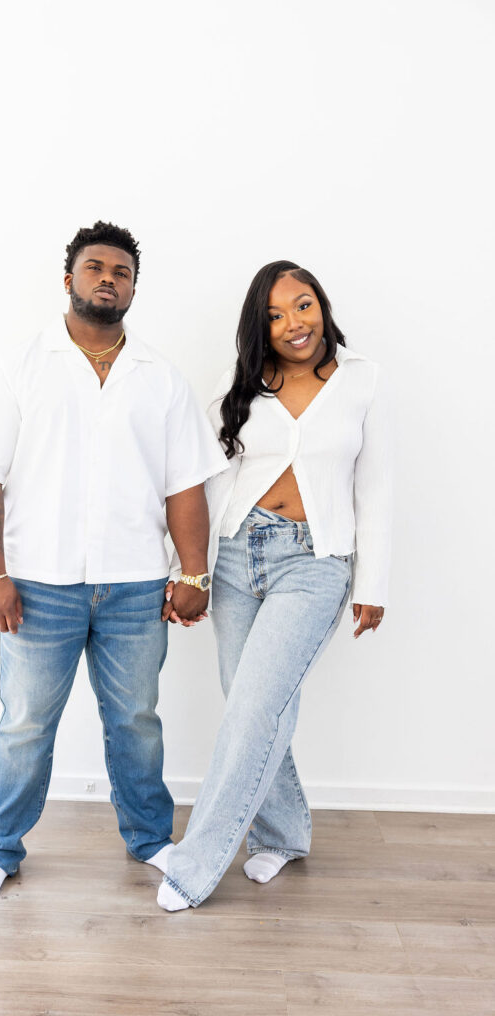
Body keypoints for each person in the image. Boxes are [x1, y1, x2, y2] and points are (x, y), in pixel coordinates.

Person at [0, 221, 228, 905]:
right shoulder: (21, 366)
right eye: (95, 267)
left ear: (133, 289)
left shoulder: (161, 378)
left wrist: (193, 574)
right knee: (25, 723)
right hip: (38, 585)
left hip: (135, 584)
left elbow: (185, 485)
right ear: (68, 279)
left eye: (121, 272)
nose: (108, 279)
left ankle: (150, 839)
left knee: (136, 720)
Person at [157, 260, 392, 911]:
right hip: (235, 557)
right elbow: (200, 481)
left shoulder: (362, 379)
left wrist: (372, 582)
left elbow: (375, 489)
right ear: (259, 327)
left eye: (303, 305)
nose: (293, 323)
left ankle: (194, 865)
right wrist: (186, 570)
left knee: (254, 709)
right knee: (252, 706)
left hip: (313, 563)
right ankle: (283, 834)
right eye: (275, 315)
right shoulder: (238, 384)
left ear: (322, 305)